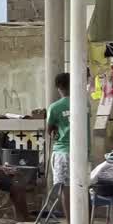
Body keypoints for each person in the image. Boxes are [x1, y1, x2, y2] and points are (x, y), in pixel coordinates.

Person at [46, 72, 73, 200]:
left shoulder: (55, 107)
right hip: (83, 151)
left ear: (59, 87)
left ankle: (70, 221)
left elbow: (50, 130)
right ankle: (84, 220)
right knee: (82, 187)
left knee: (65, 188)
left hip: (63, 152)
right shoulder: (85, 103)